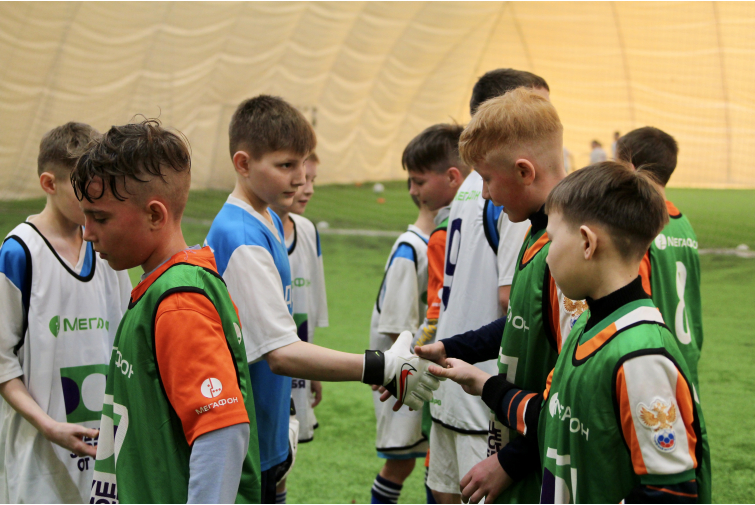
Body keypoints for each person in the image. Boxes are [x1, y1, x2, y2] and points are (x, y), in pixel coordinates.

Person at [205, 95, 441, 503]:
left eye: (303, 163)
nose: (300, 179)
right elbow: (280, 354)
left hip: (267, 427)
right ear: (242, 164)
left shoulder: (266, 218)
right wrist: (382, 366)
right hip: (246, 436)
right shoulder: (241, 237)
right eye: (285, 165)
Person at [430, 162, 711, 503]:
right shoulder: (585, 328)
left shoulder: (641, 357)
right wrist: (483, 383)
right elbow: (553, 417)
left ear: (587, 243)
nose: (547, 257)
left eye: (551, 239)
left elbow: (671, 493)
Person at [70, 119, 260, 503]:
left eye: (100, 217)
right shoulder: (162, 288)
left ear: (155, 215)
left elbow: (222, 432)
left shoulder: (178, 302)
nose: (87, 232)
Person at [414, 87, 587, 503]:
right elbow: (521, 323)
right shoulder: (537, 230)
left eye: (488, 179)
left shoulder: (566, 250)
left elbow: (572, 391)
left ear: (525, 172)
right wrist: (450, 348)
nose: (484, 194)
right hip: (519, 428)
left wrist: (511, 460)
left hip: (543, 453)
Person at [0, 122, 131, 503]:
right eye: (83, 189)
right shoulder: (19, 254)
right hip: (39, 457)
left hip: (107, 450)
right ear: (49, 183)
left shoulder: (109, 248)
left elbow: (127, 343)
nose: (95, 200)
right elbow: (2, 363)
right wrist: (48, 426)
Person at [424, 70, 539, 504]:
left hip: (452, 378)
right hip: (485, 389)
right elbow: (511, 302)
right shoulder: (509, 193)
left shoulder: (470, 187)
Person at [403, 123, 470, 503]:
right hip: (477, 369)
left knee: (443, 474)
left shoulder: (443, 235)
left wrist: (410, 357)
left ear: (453, 177)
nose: (413, 191)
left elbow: (435, 314)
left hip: (448, 370)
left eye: (418, 181)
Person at [617, 127, 704, 388]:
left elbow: (635, 305)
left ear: (631, 168)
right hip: (686, 353)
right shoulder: (684, 225)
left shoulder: (641, 225)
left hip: (653, 357)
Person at [268, 151, 328, 504]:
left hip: (298, 366)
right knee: (265, 461)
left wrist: (313, 368)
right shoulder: (254, 232)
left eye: (313, 180)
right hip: (268, 370)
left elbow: (312, 307)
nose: (308, 188)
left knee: (285, 461)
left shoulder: (307, 230)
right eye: (303, 179)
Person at [368, 183, 435, 504]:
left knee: (432, 459)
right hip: (405, 376)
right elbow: (398, 331)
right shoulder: (411, 248)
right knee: (401, 463)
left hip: (426, 372)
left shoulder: (441, 243)